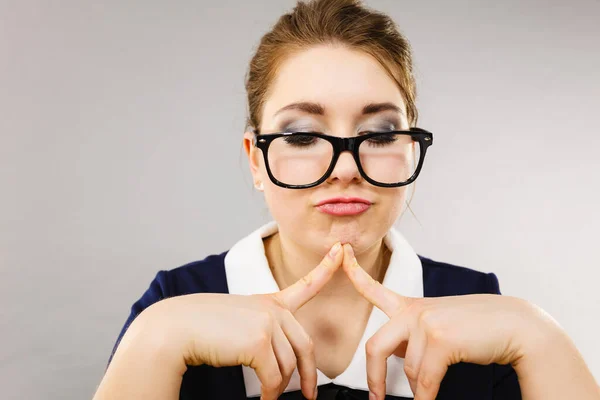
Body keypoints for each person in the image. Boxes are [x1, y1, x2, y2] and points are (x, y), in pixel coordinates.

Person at [92, 0, 600, 399]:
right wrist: (155, 341)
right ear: (254, 159)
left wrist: (538, 337)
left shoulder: (484, 312)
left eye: (379, 134)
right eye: (301, 136)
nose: (346, 169)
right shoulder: (172, 307)